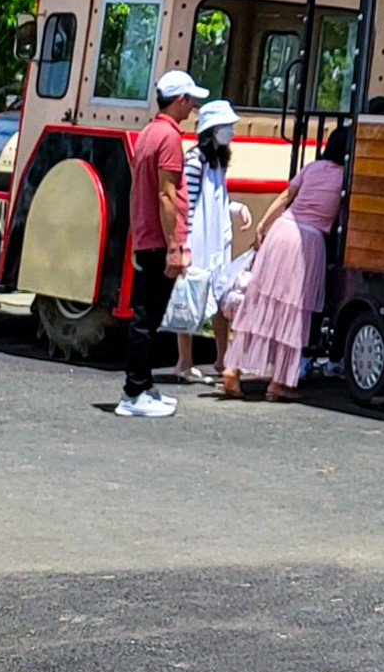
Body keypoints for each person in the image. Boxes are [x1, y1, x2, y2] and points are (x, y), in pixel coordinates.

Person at [222, 124, 347, 403]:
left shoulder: (313, 168)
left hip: (282, 229)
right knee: (294, 309)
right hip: (308, 240)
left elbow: (285, 197)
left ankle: (233, 367)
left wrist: (263, 226)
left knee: (259, 300)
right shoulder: (345, 179)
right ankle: (280, 381)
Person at [117, 70, 201, 419]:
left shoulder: (149, 132)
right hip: (158, 239)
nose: (193, 105)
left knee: (146, 316)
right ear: (179, 100)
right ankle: (134, 391)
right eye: (191, 99)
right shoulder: (169, 137)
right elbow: (168, 195)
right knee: (146, 317)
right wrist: (174, 245)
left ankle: (143, 384)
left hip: (146, 235)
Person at [167, 98, 253, 382]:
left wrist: (237, 208)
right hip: (199, 242)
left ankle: (222, 358)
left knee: (219, 299)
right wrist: (185, 243)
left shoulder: (216, 163)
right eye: (227, 126)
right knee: (191, 299)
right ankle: (185, 360)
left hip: (217, 241)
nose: (232, 131)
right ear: (213, 129)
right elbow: (188, 205)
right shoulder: (195, 162)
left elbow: (217, 200)